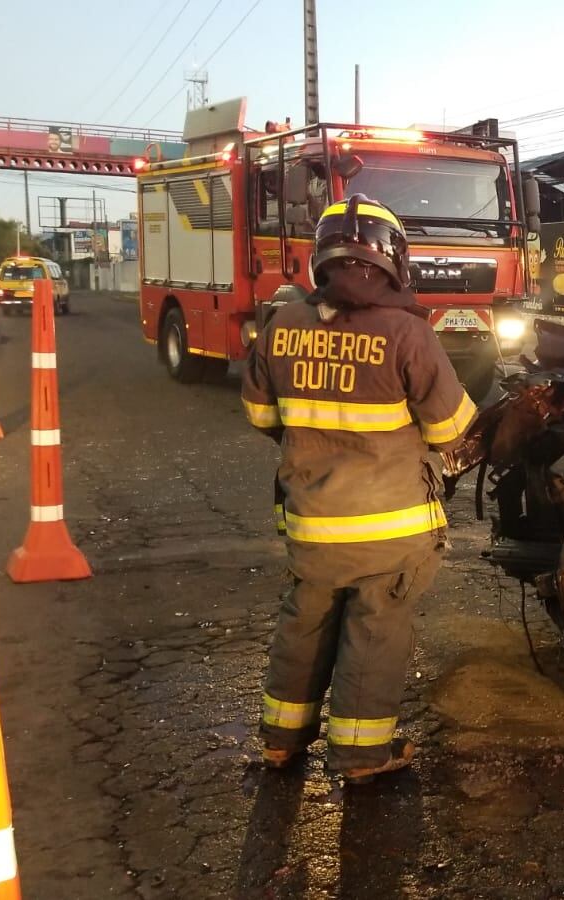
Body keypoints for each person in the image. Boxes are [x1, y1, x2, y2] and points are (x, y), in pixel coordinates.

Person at [242, 194, 477, 784]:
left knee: (305, 620)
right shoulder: (407, 333)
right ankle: (360, 755)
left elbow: (261, 416)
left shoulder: (281, 324)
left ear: (320, 258)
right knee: (374, 630)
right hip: (389, 531)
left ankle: (280, 741)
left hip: (310, 522)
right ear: (394, 259)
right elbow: (450, 430)